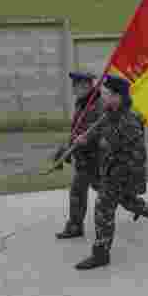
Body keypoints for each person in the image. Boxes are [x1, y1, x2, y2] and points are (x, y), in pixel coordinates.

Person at [72, 75, 148, 270]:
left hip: (121, 174)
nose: (105, 98)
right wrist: (84, 139)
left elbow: (137, 155)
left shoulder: (128, 121)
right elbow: (98, 132)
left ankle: (101, 254)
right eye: (105, 94)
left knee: (103, 208)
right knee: (132, 204)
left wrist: (119, 176)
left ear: (120, 97)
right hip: (112, 172)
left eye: (110, 95)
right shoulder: (109, 115)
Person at [55, 71, 103, 239]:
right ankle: (75, 226)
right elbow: (77, 129)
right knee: (78, 191)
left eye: (77, 86)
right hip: (84, 158)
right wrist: (67, 149)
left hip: (95, 158)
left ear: (88, 86)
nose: (74, 89)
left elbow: (101, 130)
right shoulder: (81, 103)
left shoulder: (99, 104)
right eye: (74, 86)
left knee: (113, 194)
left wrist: (85, 139)